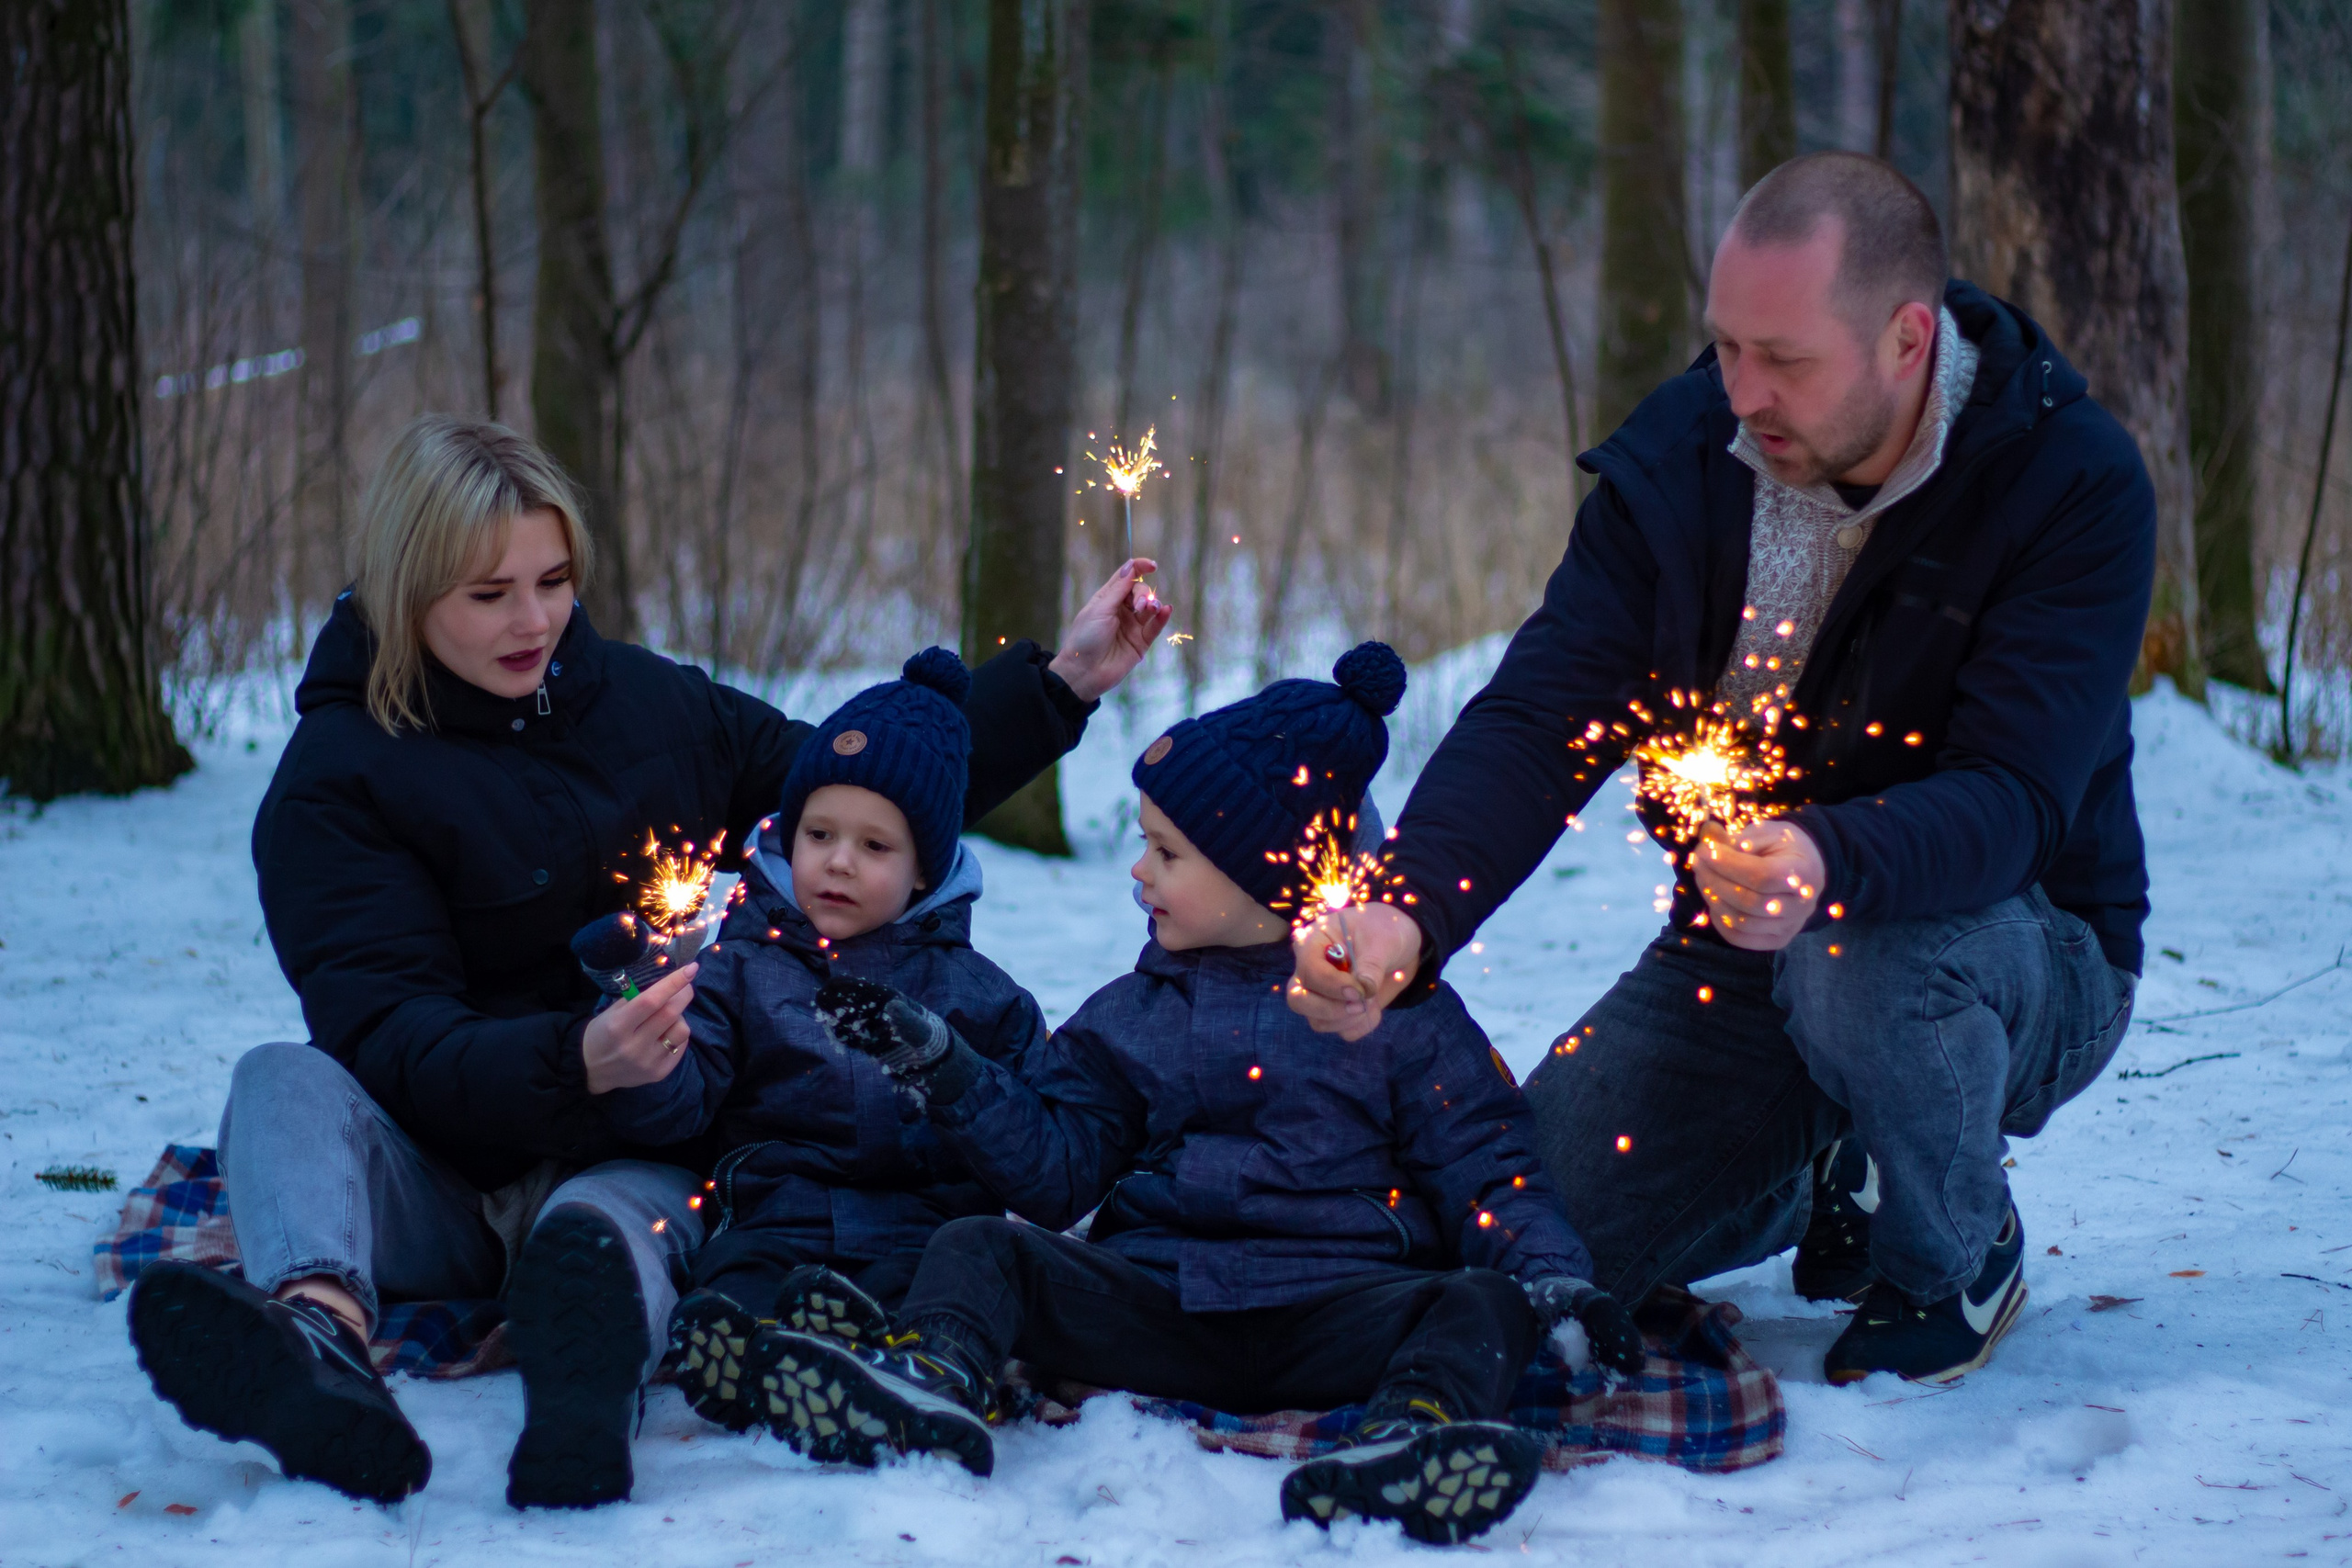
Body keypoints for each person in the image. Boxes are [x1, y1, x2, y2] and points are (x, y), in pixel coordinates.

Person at [126, 415, 1167, 1508]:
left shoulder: (651, 704)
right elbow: (384, 1036)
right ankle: (316, 1345)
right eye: (489, 595)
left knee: (615, 1223)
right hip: (432, 1170)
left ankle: (585, 1394)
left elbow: (850, 800)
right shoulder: (339, 780)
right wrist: (572, 1057)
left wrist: (1058, 686)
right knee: (275, 1082)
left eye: (554, 580)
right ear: (404, 592)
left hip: (636, 1150)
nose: (533, 619)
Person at [1285, 152, 2152, 1386]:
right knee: (1517, 1236)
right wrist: (1404, 907)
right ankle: (1833, 1160)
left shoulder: (2065, 481)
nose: (1740, 392)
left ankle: (1953, 1248)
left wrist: (1823, 854)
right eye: (1726, 346)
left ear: (1908, 341)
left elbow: (2015, 800)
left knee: (1863, 952)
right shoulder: (1689, 456)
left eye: (1784, 359)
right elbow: (1542, 717)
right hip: (1742, 943)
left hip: (2017, 946)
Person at [754, 645, 1643, 1548]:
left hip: (1336, 1312)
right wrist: (948, 1069)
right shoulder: (1133, 1013)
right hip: (1159, 1304)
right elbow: (1057, 1172)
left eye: (1166, 851)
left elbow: (1488, 1164)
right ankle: (924, 1387)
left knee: (1479, 1303)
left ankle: (1410, 1434)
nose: (1139, 871)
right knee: (982, 1249)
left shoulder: (1396, 1014)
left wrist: (1550, 1277)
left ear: (1261, 873)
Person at [594, 646, 1055, 1433]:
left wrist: (961, 1083)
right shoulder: (738, 968)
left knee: (955, 1292)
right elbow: (678, 1108)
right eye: (819, 833)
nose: (838, 862)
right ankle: (758, 1354)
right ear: (789, 832)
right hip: (782, 1219)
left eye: (875, 847)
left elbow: (1034, 1138)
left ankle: (895, 1370)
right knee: (733, 1280)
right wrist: (648, 1032)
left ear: (923, 870)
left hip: (924, 1231)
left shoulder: (981, 993)